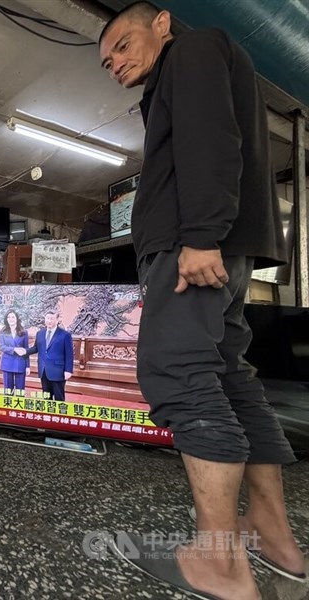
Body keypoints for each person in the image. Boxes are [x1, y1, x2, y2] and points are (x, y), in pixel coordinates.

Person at [99, 3, 302, 599]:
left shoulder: (192, 49)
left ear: (162, 23)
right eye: (107, 58)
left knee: (176, 373)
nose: (114, 60)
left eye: (122, 42)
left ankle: (219, 565)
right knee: (231, 380)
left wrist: (200, 236)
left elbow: (212, 136)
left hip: (197, 247)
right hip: (226, 248)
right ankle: (273, 534)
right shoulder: (193, 67)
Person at [27, 311, 73, 400]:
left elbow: (69, 354)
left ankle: (59, 414)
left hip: (58, 371)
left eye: (52, 318)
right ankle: (48, 413)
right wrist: (24, 351)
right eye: (47, 318)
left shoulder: (65, 335)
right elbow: (36, 348)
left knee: (59, 398)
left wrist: (68, 370)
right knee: (46, 397)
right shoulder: (40, 333)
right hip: (43, 370)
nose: (49, 321)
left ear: (57, 320)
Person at [0, 309, 29, 393]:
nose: (11, 319)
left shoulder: (24, 332)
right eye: (9, 317)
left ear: (17, 318)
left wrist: (28, 366)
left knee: (20, 391)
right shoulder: (3, 331)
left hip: (20, 363)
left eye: (13, 317)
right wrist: (14, 349)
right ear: (6, 319)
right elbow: (1, 346)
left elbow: (26, 349)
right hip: (7, 363)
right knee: (8, 391)